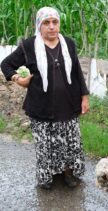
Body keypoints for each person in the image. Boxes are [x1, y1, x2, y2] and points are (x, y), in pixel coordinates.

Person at [1, 7, 89, 189]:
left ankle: (68, 173)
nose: (51, 27)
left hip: (68, 104)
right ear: (39, 26)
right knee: (45, 145)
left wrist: (84, 97)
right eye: (46, 23)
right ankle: (46, 176)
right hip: (41, 105)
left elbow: (77, 72)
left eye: (54, 22)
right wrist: (18, 78)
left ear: (59, 24)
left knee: (69, 142)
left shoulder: (69, 44)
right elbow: (6, 64)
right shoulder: (29, 46)